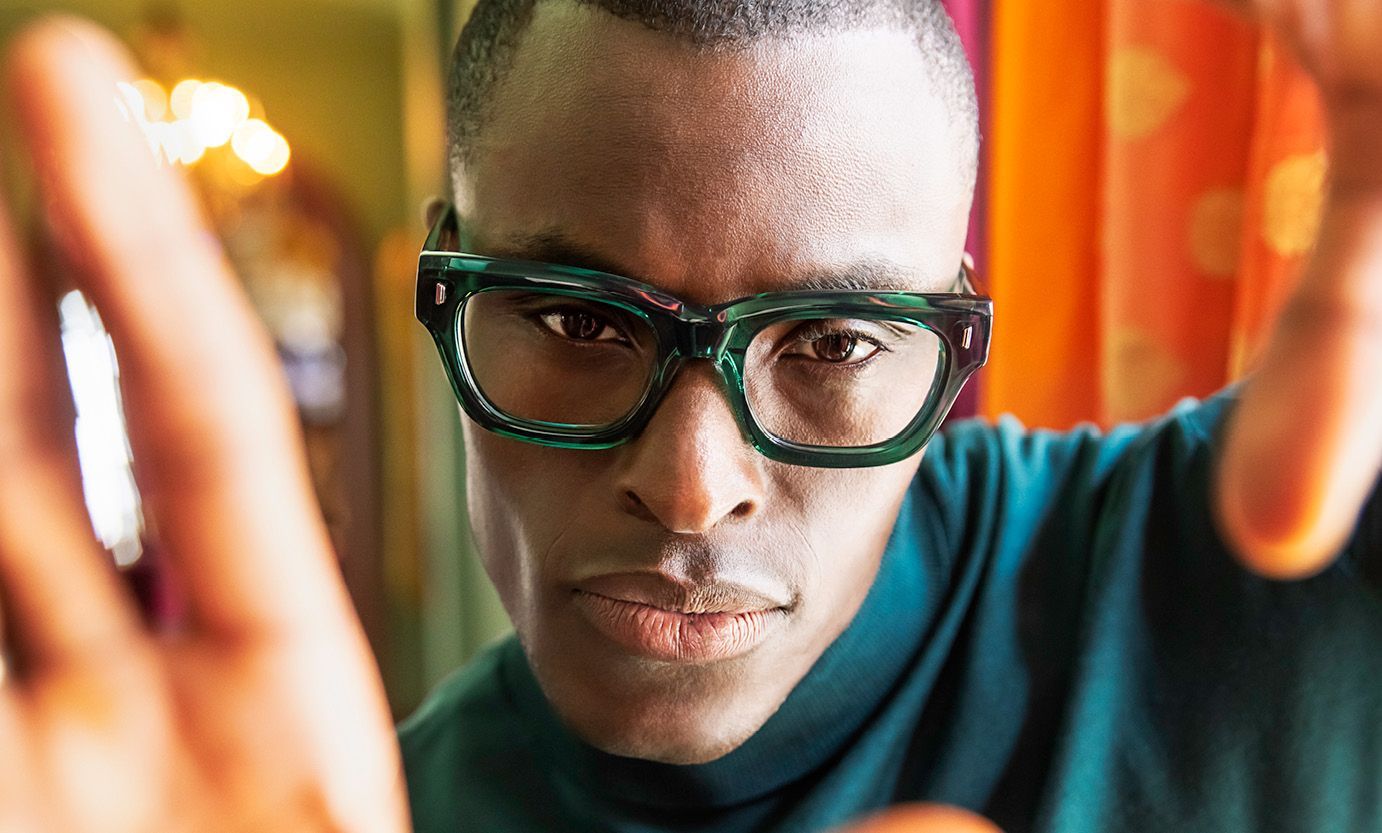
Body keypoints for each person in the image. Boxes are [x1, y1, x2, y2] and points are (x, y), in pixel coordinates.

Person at [0, 0, 1378, 830]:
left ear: (953, 339)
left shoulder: (1283, 586)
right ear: (442, 283)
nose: (688, 483)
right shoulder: (330, 809)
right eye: (580, 322)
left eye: (832, 340)